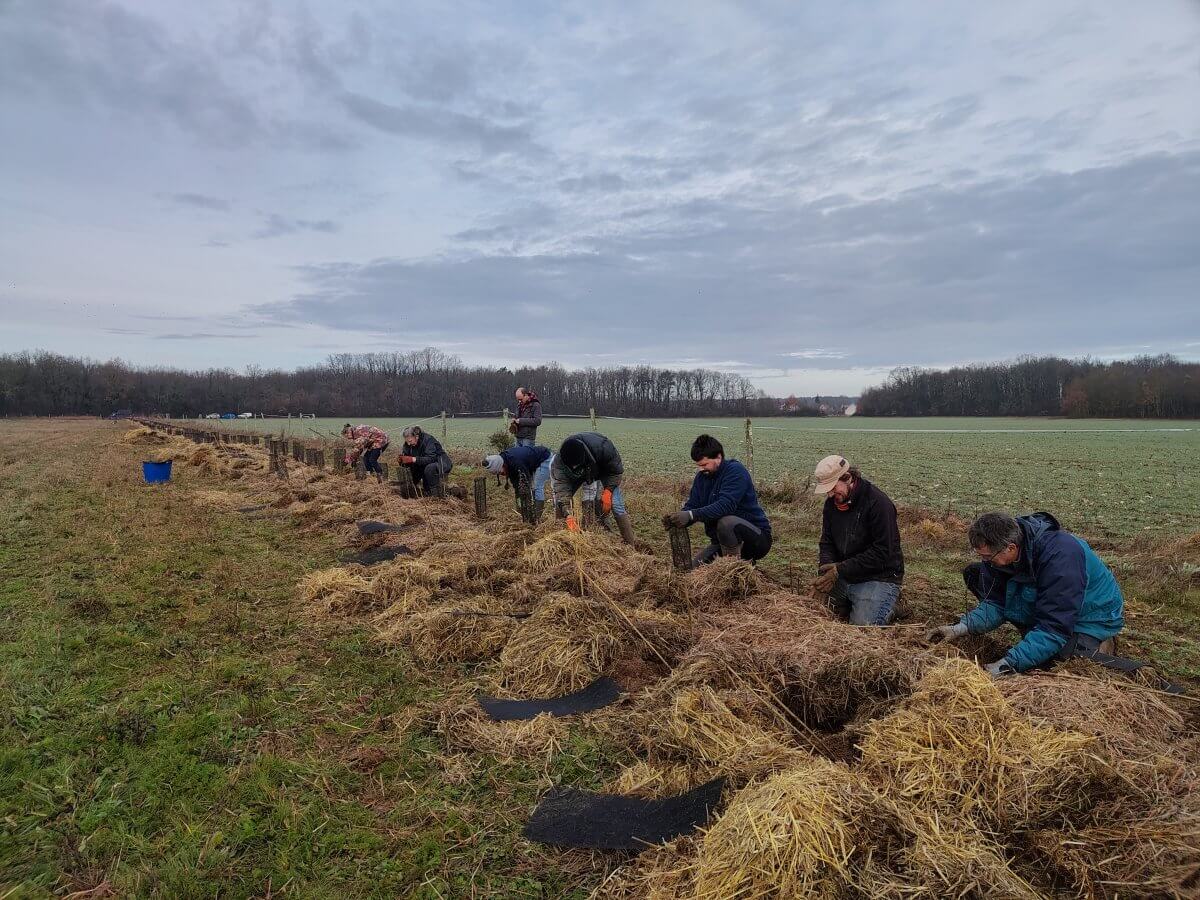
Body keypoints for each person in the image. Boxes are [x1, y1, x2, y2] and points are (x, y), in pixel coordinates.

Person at [926, 511, 1126, 678]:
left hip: (1091, 614)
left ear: (1011, 548)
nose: (985, 562)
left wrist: (1007, 665)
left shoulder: (1061, 558)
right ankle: (1035, 639)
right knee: (974, 573)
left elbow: (1054, 626)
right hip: (1048, 601)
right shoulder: (1000, 551)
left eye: (987, 557)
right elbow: (996, 604)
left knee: (1057, 663)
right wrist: (961, 628)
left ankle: (1099, 642)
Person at [811, 454, 904, 626]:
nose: (830, 494)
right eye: (827, 490)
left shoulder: (878, 504)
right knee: (815, 611)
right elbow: (827, 542)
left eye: (833, 487)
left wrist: (839, 570)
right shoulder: (831, 504)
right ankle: (851, 603)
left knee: (863, 627)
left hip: (879, 577)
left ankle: (891, 606)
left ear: (848, 478)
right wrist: (826, 569)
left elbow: (882, 552)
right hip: (846, 573)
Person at [662, 434, 771, 566]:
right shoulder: (701, 478)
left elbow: (725, 506)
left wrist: (691, 515)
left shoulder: (735, 471)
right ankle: (739, 562)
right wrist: (679, 517)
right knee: (694, 571)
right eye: (698, 465)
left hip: (756, 539)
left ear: (718, 457)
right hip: (721, 541)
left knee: (727, 523)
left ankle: (734, 571)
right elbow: (693, 505)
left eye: (704, 464)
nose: (701, 469)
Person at [550, 432, 636, 545]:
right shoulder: (559, 462)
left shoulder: (604, 448)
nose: (575, 468)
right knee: (560, 504)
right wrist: (568, 515)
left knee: (616, 505)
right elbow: (562, 491)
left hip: (602, 471)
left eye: (577, 466)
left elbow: (616, 472)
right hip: (577, 474)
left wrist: (608, 491)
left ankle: (630, 545)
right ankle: (559, 541)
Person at [483, 443, 552, 522]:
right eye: (499, 474)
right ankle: (530, 510)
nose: (502, 474)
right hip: (531, 463)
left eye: (501, 472)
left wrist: (525, 501)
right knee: (529, 488)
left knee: (537, 486)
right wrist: (519, 503)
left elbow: (525, 482)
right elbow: (517, 485)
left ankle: (537, 517)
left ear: (502, 465)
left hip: (544, 458)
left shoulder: (516, 462)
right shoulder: (507, 463)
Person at [398, 425, 453, 494]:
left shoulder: (428, 440)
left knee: (429, 468)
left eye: (410, 441)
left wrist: (413, 459)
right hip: (424, 464)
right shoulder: (408, 445)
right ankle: (411, 490)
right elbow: (409, 460)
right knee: (412, 469)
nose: (408, 444)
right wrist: (402, 461)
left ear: (416, 436)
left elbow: (431, 458)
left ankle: (436, 493)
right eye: (407, 441)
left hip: (441, 463)